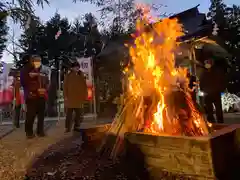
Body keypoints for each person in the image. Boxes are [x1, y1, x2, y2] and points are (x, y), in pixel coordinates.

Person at [20, 55, 49, 138]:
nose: (37, 62)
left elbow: (46, 82)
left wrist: (46, 88)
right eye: (35, 61)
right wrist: (32, 78)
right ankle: (29, 132)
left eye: (39, 61)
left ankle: (40, 131)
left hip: (42, 95)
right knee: (31, 115)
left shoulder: (43, 71)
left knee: (41, 116)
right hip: (31, 96)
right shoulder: (26, 70)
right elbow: (24, 82)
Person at [199, 58, 227, 123]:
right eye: (206, 63)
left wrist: (220, 89)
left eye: (208, 63)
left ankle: (220, 120)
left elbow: (222, 80)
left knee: (218, 108)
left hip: (215, 92)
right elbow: (202, 82)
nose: (207, 64)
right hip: (208, 93)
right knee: (209, 108)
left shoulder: (217, 72)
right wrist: (203, 90)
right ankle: (211, 120)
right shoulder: (205, 73)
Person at [63, 62, 87, 133]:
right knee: (69, 115)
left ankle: (76, 126)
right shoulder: (68, 75)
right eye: (75, 67)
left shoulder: (81, 75)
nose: (77, 68)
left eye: (78, 67)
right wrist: (65, 96)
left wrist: (84, 95)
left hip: (79, 98)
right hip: (70, 97)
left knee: (78, 114)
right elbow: (65, 86)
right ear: (72, 68)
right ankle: (67, 128)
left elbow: (84, 86)